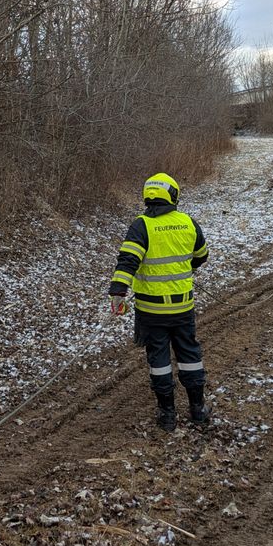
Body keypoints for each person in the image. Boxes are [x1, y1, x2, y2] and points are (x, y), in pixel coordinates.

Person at [109, 173, 210, 432]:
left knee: (159, 360)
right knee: (190, 355)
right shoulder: (188, 222)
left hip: (151, 311)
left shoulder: (140, 226)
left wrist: (118, 293)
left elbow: (127, 261)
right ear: (173, 195)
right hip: (182, 308)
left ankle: (167, 415)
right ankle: (198, 409)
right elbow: (201, 256)